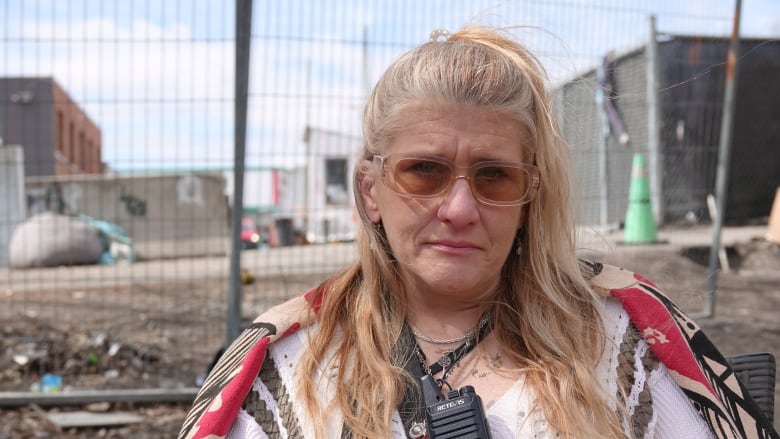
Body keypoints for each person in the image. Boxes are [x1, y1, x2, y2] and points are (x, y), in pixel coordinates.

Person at [179, 26, 777, 439]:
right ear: (370, 190)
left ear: (530, 193)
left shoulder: (623, 340)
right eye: (424, 171)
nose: (460, 207)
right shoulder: (287, 367)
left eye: (494, 176)